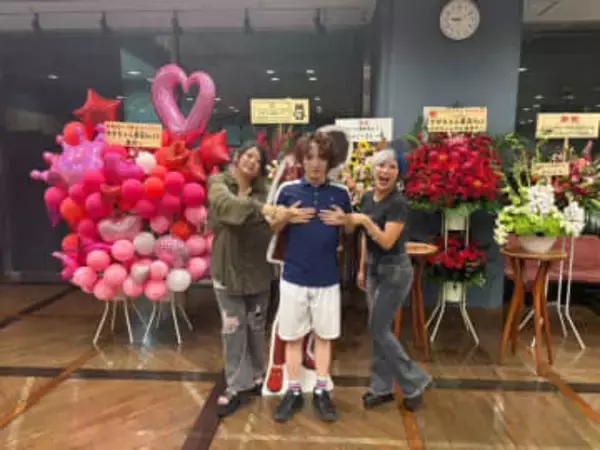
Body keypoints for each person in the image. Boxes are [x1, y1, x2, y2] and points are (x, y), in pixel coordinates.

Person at [208, 141, 308, 417]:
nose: (252, 161)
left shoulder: (266, 191)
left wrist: (284, 216)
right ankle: (235, 387)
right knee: (233, 330)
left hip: (258, 271)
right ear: (237, 157)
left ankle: (255, 376)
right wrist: (263, 209)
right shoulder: (219, 183)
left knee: (255, 327)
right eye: (248, 156)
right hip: (227, 270)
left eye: (258, 159)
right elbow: (228, 207)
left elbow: (271, 227)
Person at [270, 132, 353, 423]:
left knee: (324, 336)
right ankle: (293, 390)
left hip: (327, 278)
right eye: (310, 157)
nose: (316, 164)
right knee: (292, 336)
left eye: (321, 158)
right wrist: (285, 217)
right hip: (293, 276)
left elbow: (349, 230)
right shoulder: (287, 190)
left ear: (329, 162)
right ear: (302, 160)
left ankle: (321, 390)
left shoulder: (341, 193)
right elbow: (273, 227)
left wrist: (347, 221)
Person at [353, 149, 432, 412]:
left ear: (398, 174)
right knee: (379, 331)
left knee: (378, 328)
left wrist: (365, 220)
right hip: (373, 269)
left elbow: (387, 241)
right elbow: (365, 237)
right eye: (381, 165)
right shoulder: (367, 198)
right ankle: (381, 388)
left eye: (392, 167)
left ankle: (414, 381)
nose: (385, 171)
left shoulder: (398, 203)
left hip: (395, 270)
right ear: (373, 169)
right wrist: (362, 267)